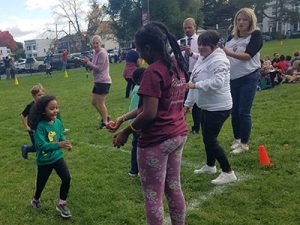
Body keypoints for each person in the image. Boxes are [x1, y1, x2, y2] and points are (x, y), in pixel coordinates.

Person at [111, 22, 188, 225]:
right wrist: (122, 119)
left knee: (153, 196)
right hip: (178, 134)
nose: (139, 55)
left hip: (157, 141)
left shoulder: (153, 72)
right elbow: (152, 105)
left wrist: (126, 132)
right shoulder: (176, 65)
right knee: (173, 188)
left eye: (139, 49)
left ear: (147, 48)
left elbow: (150, 113)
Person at [185, 30, 237, 185]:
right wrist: (188, 104)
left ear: (214, 46)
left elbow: (217, 82)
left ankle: (228, 172)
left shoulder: (220, 60)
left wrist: (196, 85)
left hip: (219, 107)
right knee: (207, 137)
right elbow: (192, 80)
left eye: (205, 45)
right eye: (199, 44)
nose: (200, 48)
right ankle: (210, 166)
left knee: (210, 139)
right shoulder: (203, 58)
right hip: (206, 106)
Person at [222, 8, 263, 154]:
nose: (241, 22)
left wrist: (229, 53)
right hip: (232, 78)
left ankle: (244, 143)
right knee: (234, 111)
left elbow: (248, 55)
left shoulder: (255, 35)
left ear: (250, 21)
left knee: (243, 112)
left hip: (248, 77)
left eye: (244, 19)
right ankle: (237, 139)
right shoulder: (230, 37)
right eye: (238, 19)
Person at [29, 95, 72, 218]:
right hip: (44, 161)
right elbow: (42, 145)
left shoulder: (57, 122)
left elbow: (59, 135)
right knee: (41, 184)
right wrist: (59, 144)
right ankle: (36, 199)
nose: (55, 111)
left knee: (67, 178)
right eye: (52, 108)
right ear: (43, 110)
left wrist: (65, 143)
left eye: (56, 108)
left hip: (57, 157)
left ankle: (61, 203)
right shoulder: (40, 127)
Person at [81, 35, 112, 129]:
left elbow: (99, 68)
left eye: (97, 43)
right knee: (94, 102)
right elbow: (93, 66)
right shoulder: (94, 52)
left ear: (100, 43)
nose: (95, 45)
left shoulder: (102, 53)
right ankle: (105, 117)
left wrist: (88, 63)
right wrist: (86, 64)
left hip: (104, 81)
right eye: (93, 43)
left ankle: (105, 122)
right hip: (97, 81)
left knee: (100, 102)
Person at [179, 17, 201, 134]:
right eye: (185, 28)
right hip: (183, 74)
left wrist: (190, 53)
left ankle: (196, 127)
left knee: (196, 101)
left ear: (194, 27)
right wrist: (178, 51)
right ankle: (181, 125)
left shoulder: (200, 41)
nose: (187, 30)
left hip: (196, 73)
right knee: (183, 100)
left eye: (189, 27)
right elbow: (172, 56)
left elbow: (203, 57)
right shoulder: (179, 42)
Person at [20, 84, 45, 159]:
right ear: (34, 96)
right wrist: (26, 126)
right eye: (39, 95)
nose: (42, 96)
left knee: (43, 143)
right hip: (32, 128)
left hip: (41, 128)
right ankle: (26, 148)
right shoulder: (30, 106)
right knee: (37, 146)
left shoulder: (44, 104)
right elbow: (22, 115)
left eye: (43, 94)